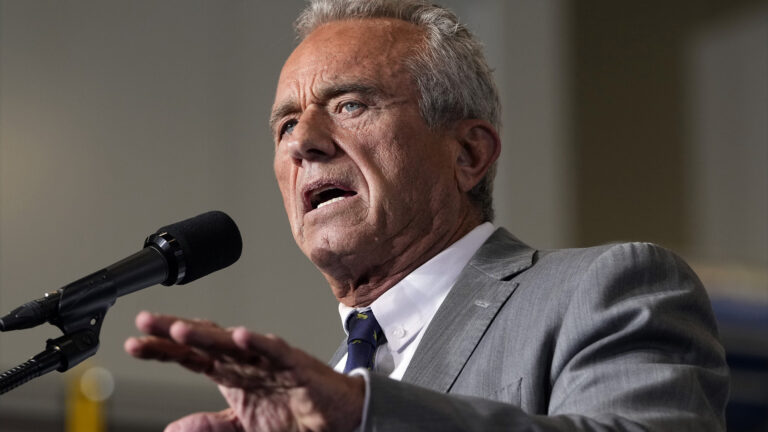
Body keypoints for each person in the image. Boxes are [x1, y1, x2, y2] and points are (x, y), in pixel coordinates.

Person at [124, 1, 729, 431]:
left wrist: (365, 417)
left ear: (468, 153)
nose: (302, 142)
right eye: (285, 123)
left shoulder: (607, 290)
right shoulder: (324, 388)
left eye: (351, 104)